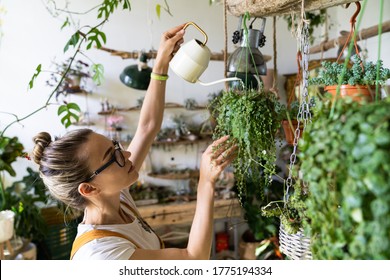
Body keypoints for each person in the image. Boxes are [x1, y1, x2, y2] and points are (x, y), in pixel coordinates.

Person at [32, 24, 237, 260]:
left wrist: (161, 64)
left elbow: (147, 127)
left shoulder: (115, 197)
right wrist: (206, 183)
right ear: (89, 188)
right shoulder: (102, 256)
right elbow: (193, 260)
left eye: (116, 147)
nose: (127, 156)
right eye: (113, 156)